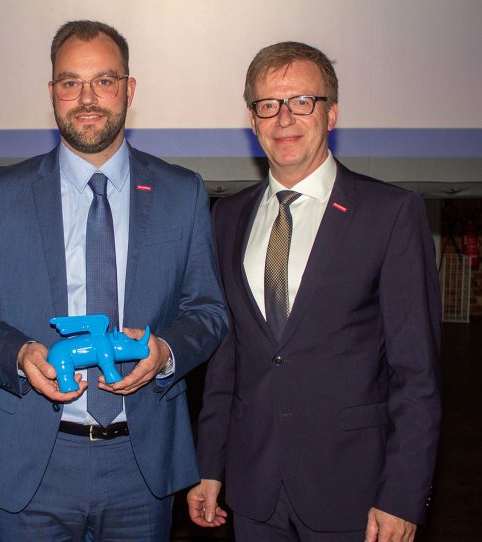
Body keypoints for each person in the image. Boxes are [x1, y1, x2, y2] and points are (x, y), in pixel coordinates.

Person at [0, 19, 228, 541]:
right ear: (52, 92)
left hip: (141, 467)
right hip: (35, 462)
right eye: (71, 82)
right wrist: (18, 354)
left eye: (104, 81)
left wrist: (165, 351)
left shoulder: (181, 193)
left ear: (129, 89)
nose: (87, 98)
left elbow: (209, 311)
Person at [187, 41, 441, 542]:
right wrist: (210, 465)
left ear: (332, 112)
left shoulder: (389, 213)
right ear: (253, 120)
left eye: (301, 101)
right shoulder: (227, 216)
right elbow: (226, 360)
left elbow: (417, 374)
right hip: (253, 487)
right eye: (268, 105)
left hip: (355, 491)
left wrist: (403, 494)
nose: (284, 118)